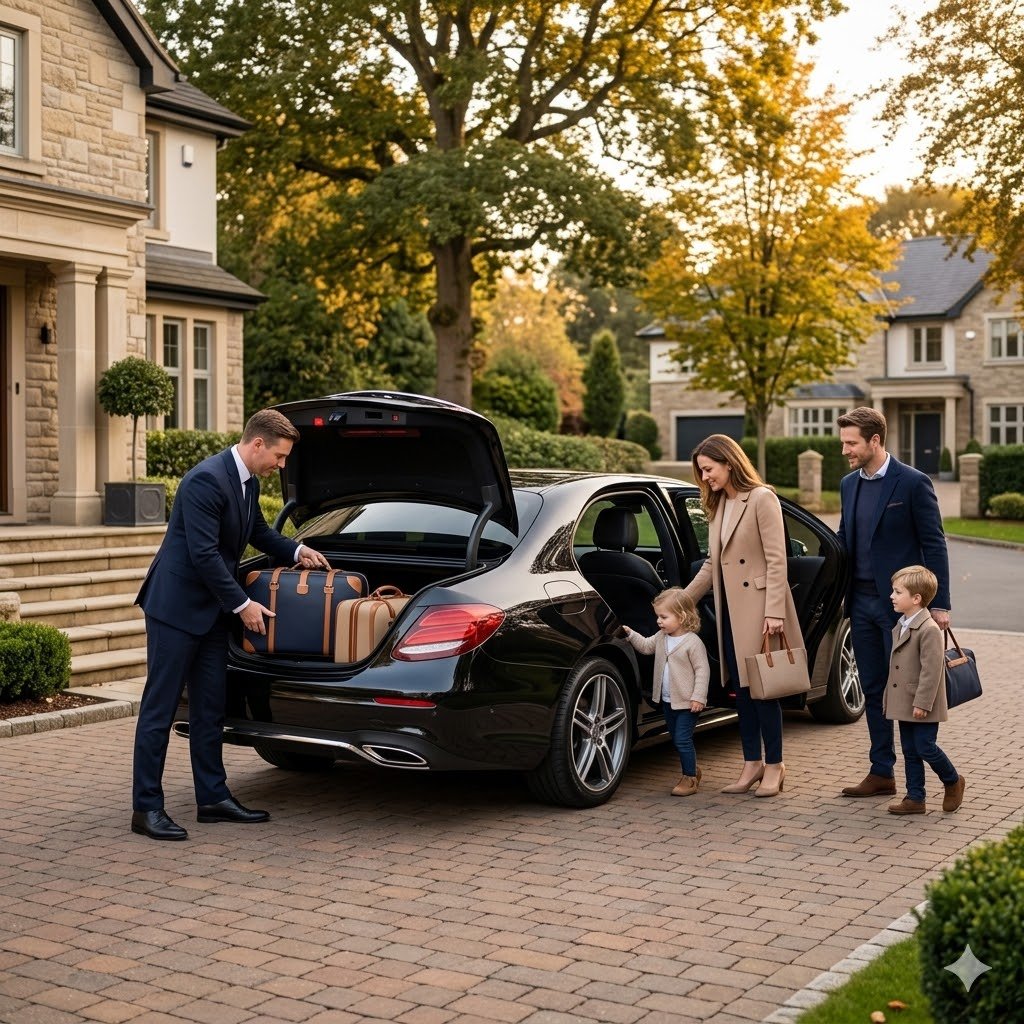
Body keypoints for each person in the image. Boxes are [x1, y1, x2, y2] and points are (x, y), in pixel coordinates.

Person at [131, 409, 330, 841]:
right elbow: (203, 554)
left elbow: (258, 532)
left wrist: (297, 552)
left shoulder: (248, 481)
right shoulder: (205, 479)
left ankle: (213, 799)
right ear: (257, 444)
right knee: (159, 711)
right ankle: (146, 809)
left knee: (210, 709)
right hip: (175, 609)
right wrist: (243, 605)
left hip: (212, 612)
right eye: (278, 456)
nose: (281, 466)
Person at [835, 407, 951, 799]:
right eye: (843, 443)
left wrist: (940, 605)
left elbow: (934, 543)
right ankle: (881, 770)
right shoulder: (849, 484)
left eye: (851, 443)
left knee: (905, 690)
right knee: (872, 688)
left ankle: (917, 785)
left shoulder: (913, 483)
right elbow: (843, 541)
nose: (845, 450)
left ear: (875, 440)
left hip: (902, 610)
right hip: (862, 604)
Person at [681, 435, 803, 798]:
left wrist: (775, 612)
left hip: (761, 609)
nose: (704, 478)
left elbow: (778, 558)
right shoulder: (719, 504)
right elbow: (711, 564)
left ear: (729, 463)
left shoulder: (762, 498)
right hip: (731, 613)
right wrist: (681, 601)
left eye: (708, 469)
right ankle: (751, 764)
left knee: (765, 691)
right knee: (743, 693)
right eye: (701, 472)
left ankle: (775, 765)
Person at [884, 565, 964, 815]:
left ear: (916, 598)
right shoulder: (903, 623)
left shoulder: (928, 629)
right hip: (904, 700)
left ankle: (953, 780)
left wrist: (923, 703)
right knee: (909, 749)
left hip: (921, 702)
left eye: (898, 592)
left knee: (925, 747)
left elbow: (931, 672)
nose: (892, 596)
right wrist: (890, 698)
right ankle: (915, 798)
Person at [623, 588, 710, 797]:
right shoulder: (662, 637)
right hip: (668, 701)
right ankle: (693, 770)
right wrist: (630, 634)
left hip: (688, 703)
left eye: (664, 617)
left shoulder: (692, 642)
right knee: (676, 737)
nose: (659, 621)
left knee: (682, 739)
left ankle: (689, 778)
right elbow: (645, 647)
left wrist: (698, 697)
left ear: (682, 616)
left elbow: (702, 670)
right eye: (658, 617)